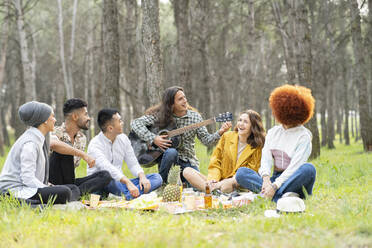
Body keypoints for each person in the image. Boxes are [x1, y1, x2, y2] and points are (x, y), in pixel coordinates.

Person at [130, 86, 231, 184]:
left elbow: (206, 140)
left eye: (184, 97)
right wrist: (154, 138)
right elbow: (135, 123)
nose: (185, 100)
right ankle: (162, 183)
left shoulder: (195, 118)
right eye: (180, 99)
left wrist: (220, 132)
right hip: (167, 160)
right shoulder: (161, 115)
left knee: (196, 187)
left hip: (187, 160)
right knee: (171, 152)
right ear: (171, 104)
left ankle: (184, 182)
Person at [235, 84, 317, 202]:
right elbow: (266, 159)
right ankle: (282, 196)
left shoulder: (303, 136)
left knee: (309, 169)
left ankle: (273, 195)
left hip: (294, 180)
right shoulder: (273, 132)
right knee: (241, 173)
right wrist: (266, 180)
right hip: (274, 179)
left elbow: (295, 167)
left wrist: (275, 186)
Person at [0, 101, 80, 204]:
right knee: (65, 192)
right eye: (52, 116)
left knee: (73, 188)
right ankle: (24, 202)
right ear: (45, 120)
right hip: (15, 191)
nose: (55, 120)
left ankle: (45, 202)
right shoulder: (30, 144)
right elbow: (27, 179)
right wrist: (46, 188)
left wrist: (49, 186)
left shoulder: (37, 138)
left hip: (29, 187)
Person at [87, 109, 162, 200]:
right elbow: (107, 168)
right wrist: (128, 183)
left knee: (156, 178)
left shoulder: (123, 139)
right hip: (102, 183)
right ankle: (135, 194)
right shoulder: (95, 144)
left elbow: (133, 163)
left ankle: (129, 196)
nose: (122, 123)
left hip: (121, 183)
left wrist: (142, 177)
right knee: (107, 178)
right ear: (110, 128)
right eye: (119, 121)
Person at [183, 110, 265, 193]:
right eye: (240, 120)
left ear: (253, 126)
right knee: (187, 171)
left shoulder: (257, 146)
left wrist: (226, 182)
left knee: (226, 187)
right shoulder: (227, 136)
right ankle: (212, 190)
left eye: (246, 122)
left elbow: (250, 171)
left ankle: (209, 190)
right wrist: (213, 180)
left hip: (236, 183)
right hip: (218, 180)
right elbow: (215, 161)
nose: (241, 124)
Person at [49, 98, 112, 195]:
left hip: (69, 183)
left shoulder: (82, 138)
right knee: (65, 149)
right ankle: (69, 193)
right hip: (50, 182)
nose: (89, 118)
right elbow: (53, 144)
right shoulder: (54, 132)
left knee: (105, 175)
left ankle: (73, 193)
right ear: (75, 116)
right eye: (86, 114)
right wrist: (83, 155)